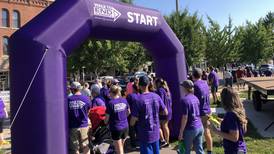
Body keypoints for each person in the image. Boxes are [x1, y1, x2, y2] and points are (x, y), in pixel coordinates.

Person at [130, 76, 168, 154]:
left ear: (139, 86)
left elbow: (132, 121)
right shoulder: (156, 96)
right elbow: (165, 112)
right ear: (148, 84)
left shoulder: (138, 100)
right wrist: (155, 112)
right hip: (156, 132)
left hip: (145, 135)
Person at [210, 87, 247, 154]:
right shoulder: (239, 111)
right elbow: (241, 128)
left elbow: (234, 137)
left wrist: (216, 131)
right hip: (240, 148)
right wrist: (223, 121)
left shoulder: (231, 114)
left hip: (233, 150)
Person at [178, 80, 204, 154]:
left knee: (186, 150)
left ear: (185, 88)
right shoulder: (195, 98)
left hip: (190, 128)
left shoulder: (184, 100)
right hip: (199, 126)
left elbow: (185, 117)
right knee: (199, 150)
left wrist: (181, 132)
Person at [192, 68, 212, 154]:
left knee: (198, 133)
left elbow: (194, 100)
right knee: (207, 131)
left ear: (193, 75)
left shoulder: (195, 85)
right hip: (207, 110)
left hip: (200, 112)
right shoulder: (205, 83)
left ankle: (199, 150)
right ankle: (209, 151)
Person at [106, 85, 130, 154]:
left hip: (116, 128)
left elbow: (106, 119)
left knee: (119, 149)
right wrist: (123, 117)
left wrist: (105, 122)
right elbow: (129, 112)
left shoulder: (110, 103)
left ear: (111, 92)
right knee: (121, 146)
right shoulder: (124, 100)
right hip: (125, 126)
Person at [68, 82, 91, 154]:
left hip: (73, 127)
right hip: (84, 125)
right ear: (79, 89)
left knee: (74, 148)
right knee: (85, 146)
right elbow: (88, 111)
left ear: (72, 89)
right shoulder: (86, 98)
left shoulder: (68, 99)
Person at [155, 78, 172, 147]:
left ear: (158, 83)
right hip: (169, 110)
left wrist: (160, 110)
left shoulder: (160, 90)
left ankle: (164, 141)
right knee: (165, 126)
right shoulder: (167, 90)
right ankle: (167, 141)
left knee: (161, 126)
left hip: (163, 111)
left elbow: (160, 101)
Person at [126, 84, 140, 148]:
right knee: (138, 128)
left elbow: (127, 105)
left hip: (132, 115)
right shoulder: (140, 95)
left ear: (133, 89)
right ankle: (139, 141)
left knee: (132, 130)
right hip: (139, 115)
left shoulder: (130, 96)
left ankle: (133, 144)